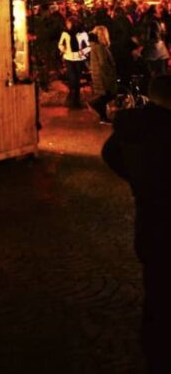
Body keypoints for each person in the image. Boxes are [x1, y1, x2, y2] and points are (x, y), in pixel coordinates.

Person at [102, 75, 171, 374]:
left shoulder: (135, 126)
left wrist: (136, 179)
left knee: (156, 290)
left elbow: (110, 154)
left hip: (150, 224)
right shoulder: (165, 131)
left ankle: (155, 351)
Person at [87, 25, 117, 124]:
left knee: (105, 95)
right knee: (108, 95)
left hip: (99, 74)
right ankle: (95, 106)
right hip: (103, 75)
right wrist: (110, 72)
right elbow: (103, 63)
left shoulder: (96, 46)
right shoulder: (99, 47)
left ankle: (103, 117)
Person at [58, 19, 89, 108]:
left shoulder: (82, 34)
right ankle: (72, 99)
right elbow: (60, 44)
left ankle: (76, 99)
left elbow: (88, 45)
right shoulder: (65, 33)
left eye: (68, 23)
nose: (67, 25)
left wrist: (83, 52)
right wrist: (62, 49)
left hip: (79, 58)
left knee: (77, 79)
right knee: (72, 78)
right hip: (69, 57)